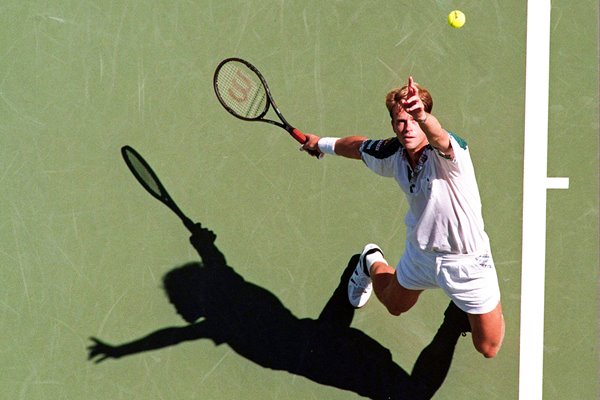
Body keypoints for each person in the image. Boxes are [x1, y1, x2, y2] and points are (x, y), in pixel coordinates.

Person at [301, 76, 505, 358]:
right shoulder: (393, 155)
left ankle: (459, 310)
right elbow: (359, 147)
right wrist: (321, 143)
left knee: (488, 347)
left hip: (467, 261)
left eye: (415, 119)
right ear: (393, 124)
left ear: (426, 117)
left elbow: (439, 136)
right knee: (395, 305)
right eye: (400, 121)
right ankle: (370, 260)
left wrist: (423, 117)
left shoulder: (449, 153)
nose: (407, 127)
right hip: (422, 255)